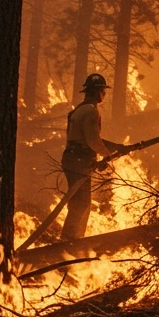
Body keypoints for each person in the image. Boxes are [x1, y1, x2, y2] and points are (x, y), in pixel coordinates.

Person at [61, 73, 127, 240]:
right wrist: (106, 155)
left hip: (72, 158)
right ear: (98, 92)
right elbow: (93, 141)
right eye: (103, 91)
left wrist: (117, 148)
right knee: (81, 203)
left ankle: (72, 238)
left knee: (79, 201)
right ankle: (70, 241)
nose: (104, 95)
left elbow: (84, 138)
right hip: (80, 160)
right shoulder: (91, 112)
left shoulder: (77, 110)